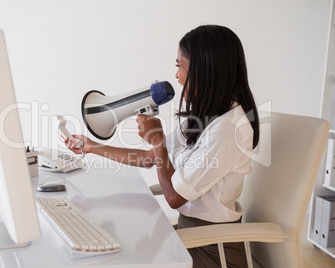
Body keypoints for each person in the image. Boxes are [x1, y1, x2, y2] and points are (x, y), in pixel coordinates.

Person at [65, 24, 259, 268]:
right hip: (194, 238)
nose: (176, 76)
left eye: (179, 65)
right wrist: (92, 146)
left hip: (214, 252)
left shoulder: (228, 128)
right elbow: (150, 158)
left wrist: (157, 141)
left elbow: (174, 196)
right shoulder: (204, 117)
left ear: (203, 70)